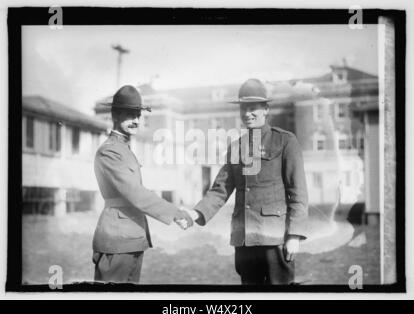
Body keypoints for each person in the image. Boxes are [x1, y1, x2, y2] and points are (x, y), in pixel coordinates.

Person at [185, 79, 309, 285]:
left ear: (266, 109)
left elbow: (298, 193)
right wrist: (196, 212)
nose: (247, 114)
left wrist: (295, 234)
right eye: (244, 108)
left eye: (253, 108)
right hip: (244, 239)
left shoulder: (285, 141)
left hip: (274, 238)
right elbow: (220, 189)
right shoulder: (236, 147)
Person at [92, 85, 193, 284]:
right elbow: (135, 193)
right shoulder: (110, 151)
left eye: (138, 115)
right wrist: (175, 213)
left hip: (131, 237)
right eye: (130, 115)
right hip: (116, 238)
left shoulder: (124, 148)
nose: (136, 120)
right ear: (115, 114)